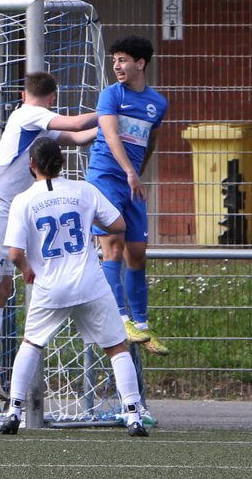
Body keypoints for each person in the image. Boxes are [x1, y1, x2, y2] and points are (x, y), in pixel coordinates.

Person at [0, 72, 98, 401]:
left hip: (7, 210)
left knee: (4, 288)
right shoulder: (28, 114)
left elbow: (77, 138)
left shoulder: (39, 124)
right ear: (51, 98)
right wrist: (109, 109)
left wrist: (108, 126)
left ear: (22, 93)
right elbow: (76, 124)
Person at [0, 137, 148, 437]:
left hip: (50, 287)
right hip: (89, 283)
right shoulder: (84, 190)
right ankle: (134, 415)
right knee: (116, 347)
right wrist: (90, 220)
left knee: (31, 344)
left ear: (32, 164)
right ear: (62, 161)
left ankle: (14, 412)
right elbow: (119, 224)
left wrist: (27, 270)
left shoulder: (23, 200)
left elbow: (14, 253)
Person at [86, 35, 169, 355]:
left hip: (132, 183)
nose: (117, 66)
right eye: (114, 61)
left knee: (138, 253)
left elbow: (150, 141)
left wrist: (138, 172)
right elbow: (110, 135)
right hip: (106, 178)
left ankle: (143, 328)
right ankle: (120, 320)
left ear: (140, 63)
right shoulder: (111, 95)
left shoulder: (157, 103)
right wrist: (130, 172)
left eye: (122, 60)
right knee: (113, 248)